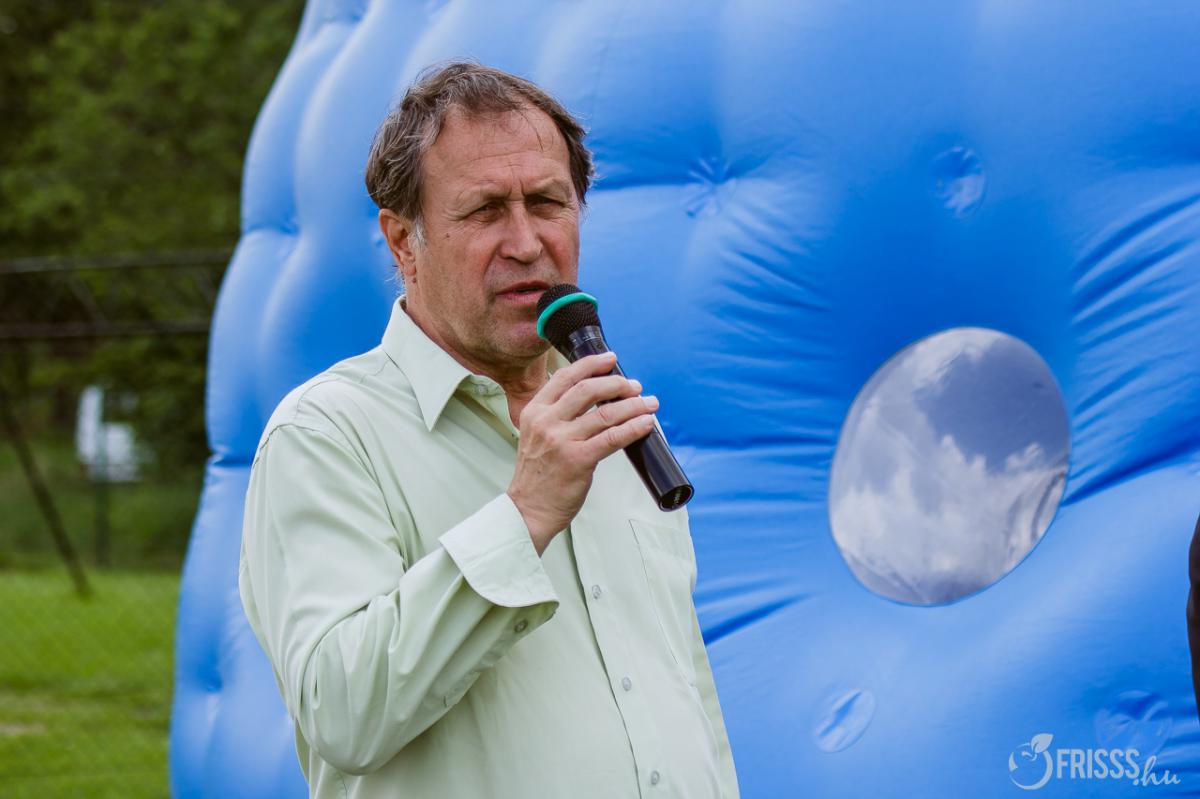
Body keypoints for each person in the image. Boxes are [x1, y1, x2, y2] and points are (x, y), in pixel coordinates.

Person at [238, 61, 740, 798]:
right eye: (484, 211)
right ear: (402, 241)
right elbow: (340, 714)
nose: (527, 241)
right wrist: (524, 514)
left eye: (547, 202)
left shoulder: (612, 423)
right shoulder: (325, 433)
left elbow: (686, 693)